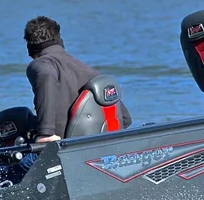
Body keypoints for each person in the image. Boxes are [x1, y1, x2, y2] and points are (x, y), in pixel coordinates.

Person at [15, 15, 131, 173]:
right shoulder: (89, 71)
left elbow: (46, 76)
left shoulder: (41, 65)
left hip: (61, 154)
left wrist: (45, 134)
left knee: (4, 167)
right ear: (58, 39)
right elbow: (125, 119)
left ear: (30, 48)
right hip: (96, 155)